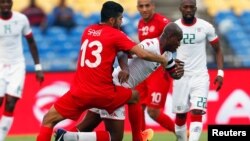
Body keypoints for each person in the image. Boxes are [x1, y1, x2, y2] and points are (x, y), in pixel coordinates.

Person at [36, 1, 168, 141]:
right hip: (102, 93)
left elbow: (118, 51)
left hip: (78, 91)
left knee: (48, 119)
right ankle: (138, 138)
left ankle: (66, 137)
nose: (121, 21)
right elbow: (141, 54)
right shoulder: (116, 34)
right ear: (112, 20)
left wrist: (124, 67)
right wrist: (163, 60)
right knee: (134, 97)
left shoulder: (88, 30)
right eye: (120, 18)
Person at [54, 22, 184, 141]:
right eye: (178, 40)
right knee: (116, 136)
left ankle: (64, 137)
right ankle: (138, 137)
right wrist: (125, 69)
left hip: (109, 85)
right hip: (117, 85)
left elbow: (173, 72)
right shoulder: (150, 46)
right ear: (170, 36)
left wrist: (179, 72)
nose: (179, 44)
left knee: (87, 126)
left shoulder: (166, 55)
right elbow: (123, 51)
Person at [173, 0, 224, 141]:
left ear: (195, 8)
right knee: (181, 115)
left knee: (197, 111)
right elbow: (164, 49)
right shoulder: (173, 27)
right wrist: (170, 65)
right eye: (186, 7)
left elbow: (218, 50)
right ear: (180, 8)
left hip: (200, 77)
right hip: (180, 77)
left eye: (191, 7)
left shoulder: (206, 27)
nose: (188, 10)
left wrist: (220, 73)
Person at [0, 0, 44, 141]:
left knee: (11, 102)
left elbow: (31, 41)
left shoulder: (21, 19)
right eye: (2, 2)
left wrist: (38, 67)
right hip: (0, 65)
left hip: (17, 66)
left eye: (8, 2)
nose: (6, 5)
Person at [135, 0, 176, 139]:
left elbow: (176, 40)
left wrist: (170, 61)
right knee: (137, 105)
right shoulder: (140, 23)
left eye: (147, 5)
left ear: (153, 6)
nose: (144, 9)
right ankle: (141, 137)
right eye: (141, 6)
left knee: (153, 112)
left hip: (159, 71)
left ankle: (182, 134)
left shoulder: (163, 22)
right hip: (143, 71)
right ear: (137, 8)